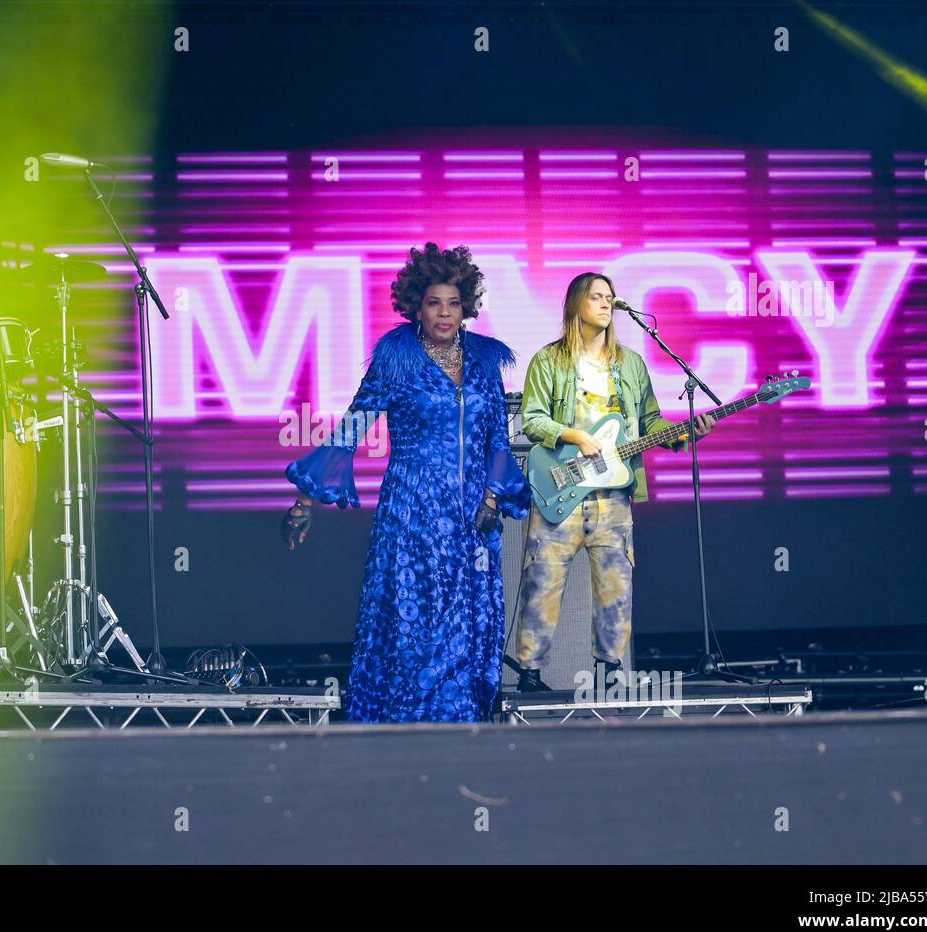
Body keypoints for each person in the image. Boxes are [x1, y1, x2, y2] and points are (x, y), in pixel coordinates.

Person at [282, 242, 530, 722]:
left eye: (453, 303)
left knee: (469, 623)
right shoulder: (397, 357)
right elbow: (352, 429)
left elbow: (499, 437)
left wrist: (494, 497)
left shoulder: (483, 360)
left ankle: (461, 726)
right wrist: (304, 501)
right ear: (416, 305)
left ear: (466, 308)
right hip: (413, 512)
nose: (444, 313)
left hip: (475, 516)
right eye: (434, 302)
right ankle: (406, 727)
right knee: (414, 624)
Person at [511, 271, 715, 691]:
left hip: (615, 496)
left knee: (616, 589)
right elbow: (531, 420)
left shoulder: (631, 364)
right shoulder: (549, 361)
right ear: (575, 305)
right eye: (597, 297)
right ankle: (530, 675)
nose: (606, 304)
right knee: (543, 584)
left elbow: (650, 422)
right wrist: (574, 436)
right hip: (562, 490)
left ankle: (609, 674)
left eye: (610, 297)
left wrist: (685, 432)